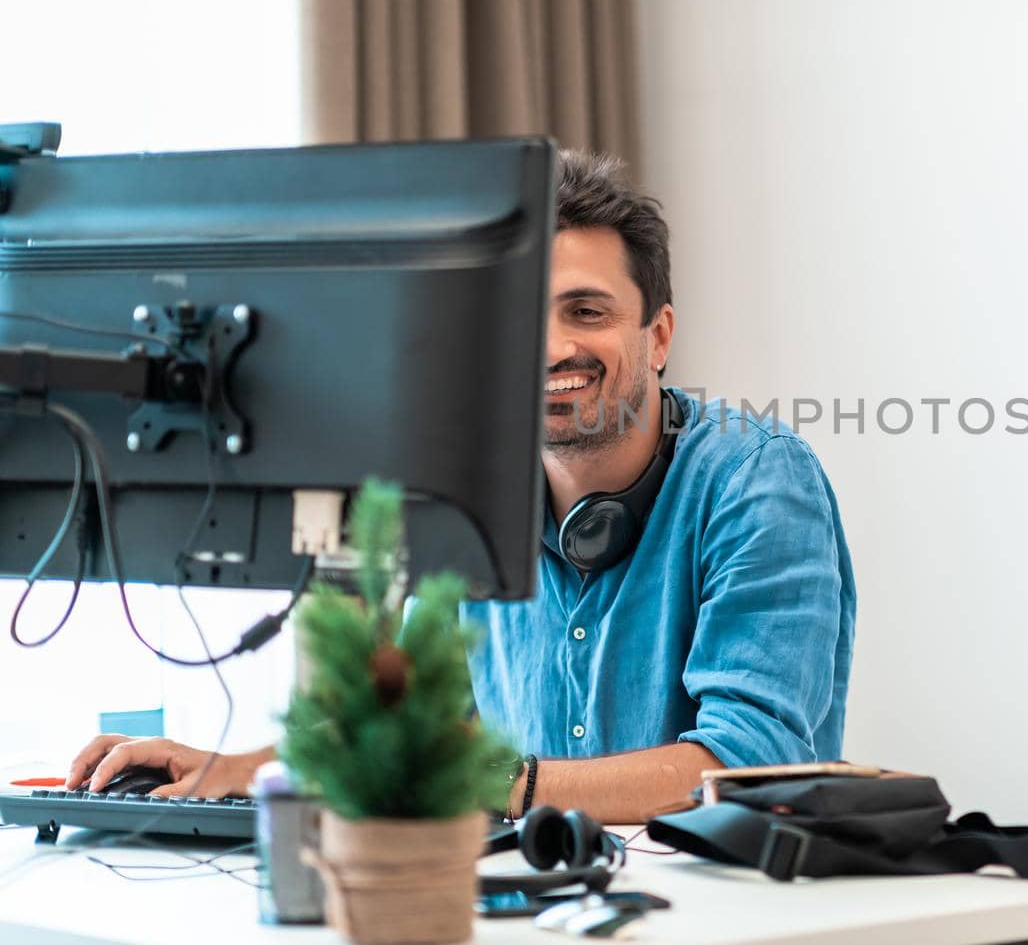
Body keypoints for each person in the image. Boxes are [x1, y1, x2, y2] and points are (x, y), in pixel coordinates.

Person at [64, 150, 857, 823]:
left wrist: (503, 782)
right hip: (540, 906)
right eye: (522, 318)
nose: (550, 348)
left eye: (586, 310)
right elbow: (408, 729)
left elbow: (748, 765)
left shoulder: (756, 479)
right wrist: (235, 769)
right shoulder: (474, 497)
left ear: (657, 337)